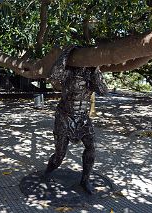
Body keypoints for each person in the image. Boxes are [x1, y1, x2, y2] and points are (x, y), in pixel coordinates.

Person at [44, 46, 108, 194]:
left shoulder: (91, 74)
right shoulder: (68, 72)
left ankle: (85, 180)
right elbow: (53, 77)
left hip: (83, 118)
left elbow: (104, 91)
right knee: (60, 155)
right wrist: (67, 52)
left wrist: (96, 68)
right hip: (65, 116)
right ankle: (48, 170)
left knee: (91, 148)